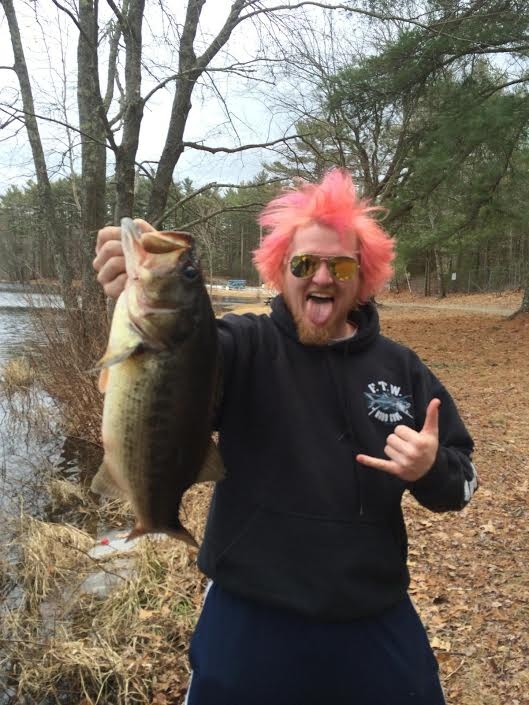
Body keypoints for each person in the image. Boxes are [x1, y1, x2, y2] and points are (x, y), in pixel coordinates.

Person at [94, 169, 478, 705]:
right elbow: (173, 360)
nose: (322, 277)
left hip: (372, 614)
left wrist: (431, 468)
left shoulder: (403, 370)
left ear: (362, 275)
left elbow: (461, 483)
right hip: (249, 614)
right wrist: (139, 286)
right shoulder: (238, 346)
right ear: (281, 269)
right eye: (304, 263)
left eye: (340, 264)